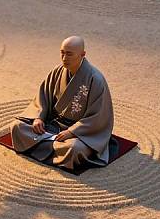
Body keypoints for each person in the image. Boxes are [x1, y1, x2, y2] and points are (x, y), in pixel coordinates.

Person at [10, 36, 115, 171]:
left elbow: (98, 117)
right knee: (17, 127)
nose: (64, 58)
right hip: (52, 124)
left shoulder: (96, 79)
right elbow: (43, 97)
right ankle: (53, 145)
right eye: (62, 53)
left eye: (69, 54)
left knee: (74, 149)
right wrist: (39, 117)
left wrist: (72, 132)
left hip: (80, 132)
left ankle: (45, 143)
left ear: (82, 54)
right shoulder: (57, 71)